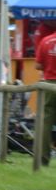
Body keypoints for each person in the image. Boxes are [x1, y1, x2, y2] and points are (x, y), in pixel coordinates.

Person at [35, 27, 56, 166]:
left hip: (49, 84)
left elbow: (38, 65)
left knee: (46, 122)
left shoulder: (46, 40)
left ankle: (43, 159)